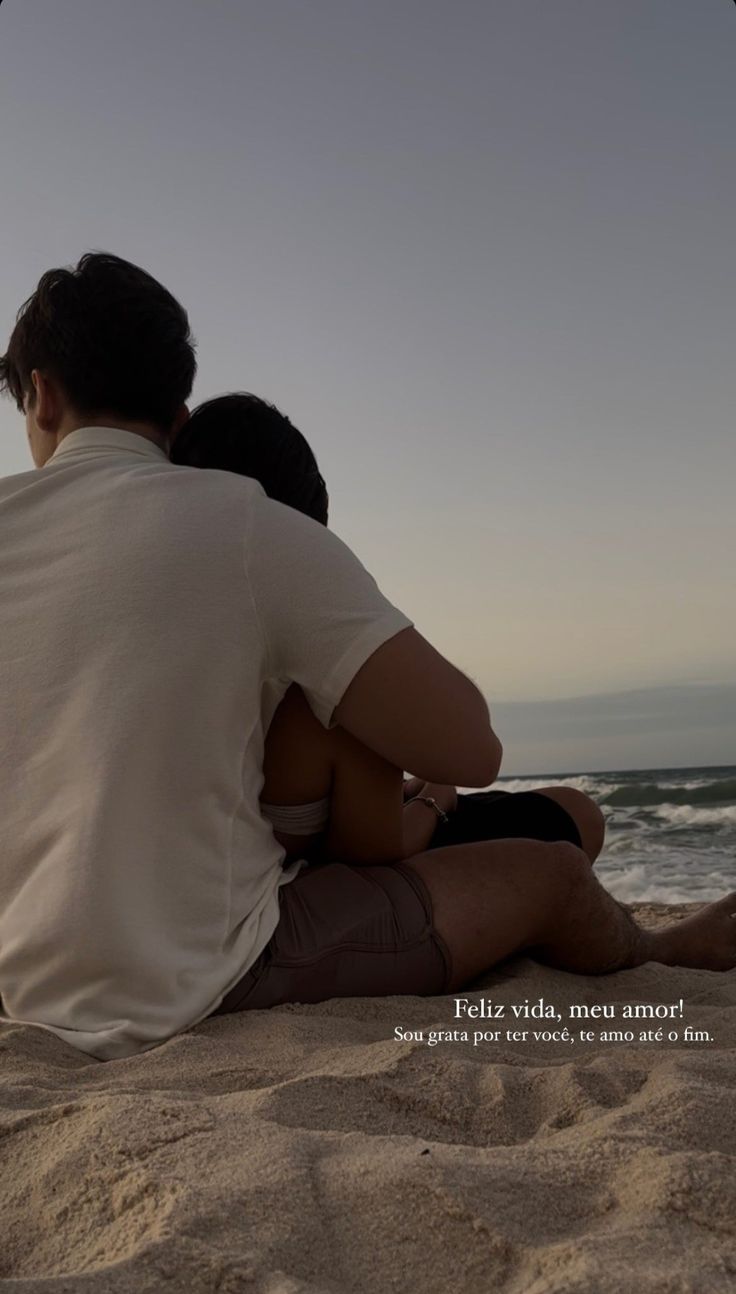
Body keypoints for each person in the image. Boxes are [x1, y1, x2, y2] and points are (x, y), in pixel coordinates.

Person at [0, 255, 734, 1066]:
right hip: (189, 977)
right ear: (178, 417)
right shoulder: (245, 524)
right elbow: (471, 749)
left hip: (19, 976)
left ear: (41, 393)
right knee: (554, 875)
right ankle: (658, 955)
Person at [171, 394, 605, 868]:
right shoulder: (323, 677)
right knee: (577, 815)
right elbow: (385, 847)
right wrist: (437, 798)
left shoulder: (175, 606)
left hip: (288, 832)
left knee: (566, 807)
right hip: (354, 862)